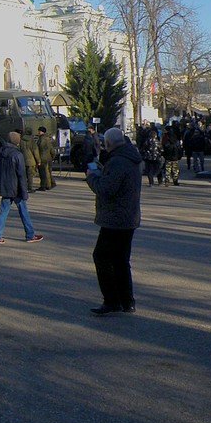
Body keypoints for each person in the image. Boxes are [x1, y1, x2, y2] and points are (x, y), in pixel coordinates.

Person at [85, 127, 142, 316]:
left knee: (101, 257)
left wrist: (92, 177)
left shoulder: (118, 162)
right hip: (128, 217)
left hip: (114, 219)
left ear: (108, 144)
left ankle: (111, 300)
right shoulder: (131, 157)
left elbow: (106, 189)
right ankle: (127, 301)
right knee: (120, 260)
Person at [0, 131, 43, 244]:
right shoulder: (17, 155)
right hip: (16, 188)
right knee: (24, 211)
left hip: (5, 187)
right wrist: (24, 192)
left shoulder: (0, 153)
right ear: (17, 142)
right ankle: (30, 235)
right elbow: (21, 174)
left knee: (3, 212)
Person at [36, 127, 55, 191]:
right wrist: (52, 157)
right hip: (48, 158)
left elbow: (39, 149)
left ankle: (44, 186)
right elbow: (52, 150)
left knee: (43, 173)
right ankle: (51, 184)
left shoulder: (42, 139)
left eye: (39, 131)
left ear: (42, 132)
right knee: (48, 172)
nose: (38, 132)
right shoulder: (48, 139)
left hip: (42, 158)